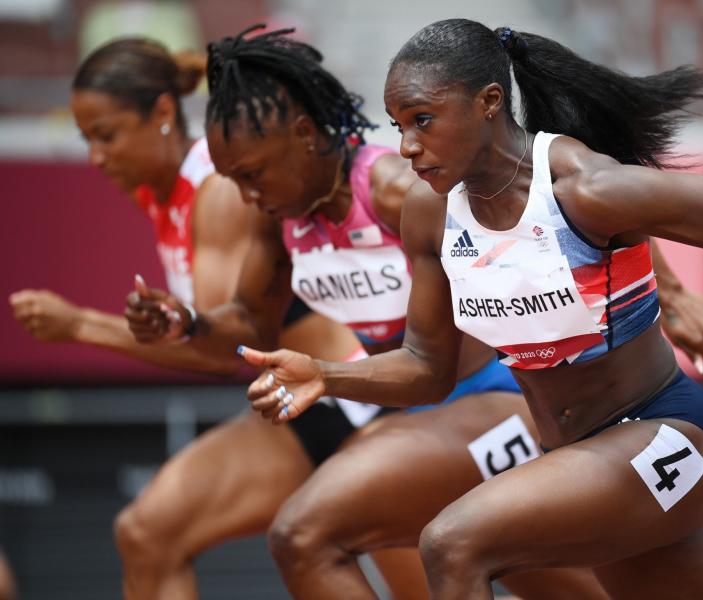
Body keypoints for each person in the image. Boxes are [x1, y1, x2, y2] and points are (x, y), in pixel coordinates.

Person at [237, 18, 703, 599]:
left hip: (665, 438)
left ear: (489, 102)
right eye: (397, 125)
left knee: (452, 543)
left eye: (423, 120)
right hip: (574, 457)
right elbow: (427, 369)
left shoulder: (584, 189)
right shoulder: (430, 215)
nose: (409, 147)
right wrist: (327, 374)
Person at [126, 25, 703, 600]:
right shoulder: (279, 219)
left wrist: (671, 297)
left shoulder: (391, 189)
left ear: (306, 134)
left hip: (489, 399)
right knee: (529, 578)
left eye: (253, 174)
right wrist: (185, 324)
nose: (247, 195)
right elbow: (247, 327)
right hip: (406, 408)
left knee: (308, 533)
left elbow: (565, 215)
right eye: (233, 181)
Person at [8, 37, 426, 600]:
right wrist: (178, 321)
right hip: (298, 403)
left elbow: (223, 349)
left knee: (415, 572)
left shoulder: (219, 189)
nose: (96, 157)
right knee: (149, 533)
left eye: (106, 136)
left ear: (161, 114)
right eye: (87, 140)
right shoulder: (164, 193)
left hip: (351, 399)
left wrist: (82, 326)